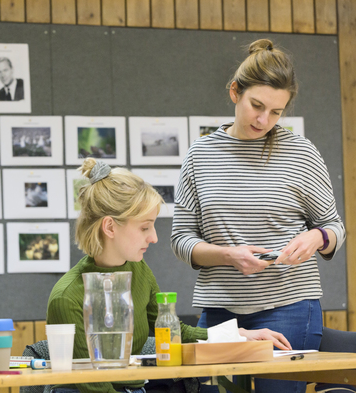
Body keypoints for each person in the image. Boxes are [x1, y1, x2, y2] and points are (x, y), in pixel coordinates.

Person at [171, 38, 346, 393]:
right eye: (257, 105)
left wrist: (317, 237)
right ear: (235, 92)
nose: (264, 119)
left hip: (290, 305)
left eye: (277, 112)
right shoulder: (200, 155)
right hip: (221, 310)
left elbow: (334, 227)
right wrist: (227, 255)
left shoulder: (300, 152)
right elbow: (181, 239)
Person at [47, 158, 290, 393]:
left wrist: (238, 335)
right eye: (144, 227)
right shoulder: (67, 297)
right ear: (110, 227)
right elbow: (93, 386)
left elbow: (172, 330)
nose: (154, 237)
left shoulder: (137, 270)